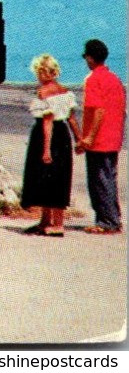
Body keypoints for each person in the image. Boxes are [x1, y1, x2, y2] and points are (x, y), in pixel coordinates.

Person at [70, 38, 124, 235]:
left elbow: (98, 110)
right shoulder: (115, 79)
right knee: (109, 178)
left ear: (91, 58)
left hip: (100, 139)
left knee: (99, 180)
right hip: (113, 137)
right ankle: (112, 218)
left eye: (86, 56)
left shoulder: (94, 79)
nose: (86, 60)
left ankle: (107, 221)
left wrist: (89, 138)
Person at [20, 54, 75, 237]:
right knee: (59, 177)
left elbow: (48, 121)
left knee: (46, 176)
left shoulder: (44, 92)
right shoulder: (65, 91)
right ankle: (48, 221)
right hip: (63, 135)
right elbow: (72, 118)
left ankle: (54, 224)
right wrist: (80, 139)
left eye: (39, 72)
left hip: (47, 136)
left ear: (44, 72)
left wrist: (46, 149)